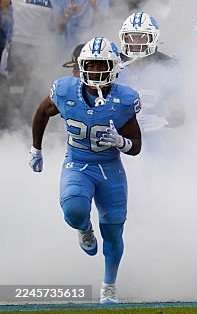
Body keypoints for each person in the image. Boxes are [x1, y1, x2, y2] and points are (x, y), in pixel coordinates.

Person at [29, 37, 142, 305]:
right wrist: (36, 149)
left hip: (109, 168)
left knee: (113, 231)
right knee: (74, 210)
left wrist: (122, 142)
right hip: (78, 164)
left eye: (101, 65)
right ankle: (84, 229)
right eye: (89, 65)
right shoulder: (66, 90)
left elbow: (136, 146)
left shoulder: (125, 99)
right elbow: (42, 111)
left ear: (114, 67)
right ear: (81, 66)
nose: (95, 71)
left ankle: (109, 287)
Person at [118, 12, 183, 130]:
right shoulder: (112, 64)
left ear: (153, 38)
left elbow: (179, 114)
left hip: (156, 138)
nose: (136, 43)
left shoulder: (168, 66)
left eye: (142, 38)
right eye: (131, 37)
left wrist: (164, 121)